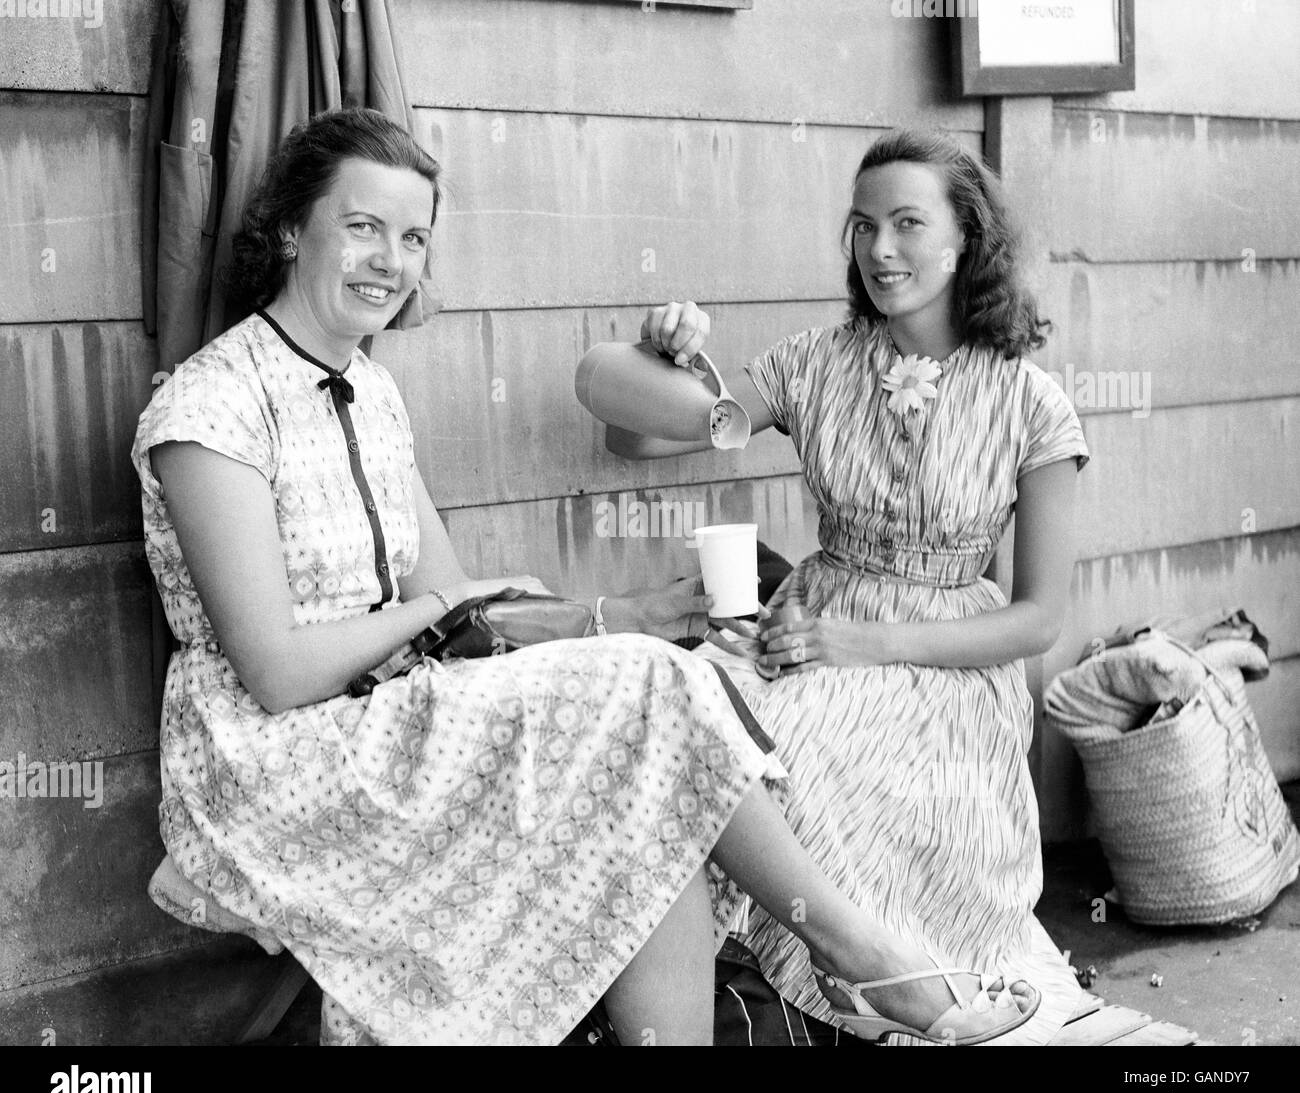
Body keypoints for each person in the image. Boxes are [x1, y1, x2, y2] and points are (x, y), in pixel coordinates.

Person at [131, 108, 1041, 1046]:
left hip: (395, 712)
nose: (389, 262)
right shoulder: (213, 404)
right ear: (291, 229)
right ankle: (870, 961)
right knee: (658, 705)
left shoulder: (372, 389)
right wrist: (448, 608)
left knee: (656, 777)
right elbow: (280, 668)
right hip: (278, 761)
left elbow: (465, 626)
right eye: (363, 228)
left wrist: (627, 614)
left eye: (412, 238)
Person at [591, 128, 1090, 1044]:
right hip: (807, 621)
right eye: (863, 226)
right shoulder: (816, 362)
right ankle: (686, 1007)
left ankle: (871, 979)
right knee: (686, 726)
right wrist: (659, 354)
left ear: (967, 239)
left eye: (907, 223)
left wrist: (867, 643)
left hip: (945, 668)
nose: (881, 250)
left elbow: (1038, 620)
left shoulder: (1032, 403)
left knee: (787, 751)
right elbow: (636, 437)